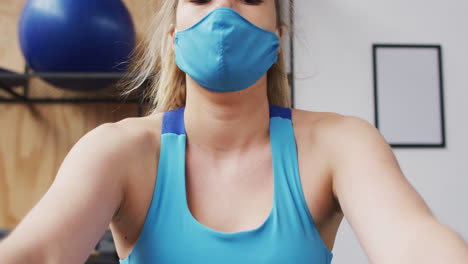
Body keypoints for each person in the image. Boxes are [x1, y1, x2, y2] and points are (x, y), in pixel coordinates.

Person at [1, 0, 468, 263]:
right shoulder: (117, 152)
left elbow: (412, 242)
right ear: (173, 38)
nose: (223, 13)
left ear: (277, 37)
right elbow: (41, 252)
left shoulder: (341, 146)